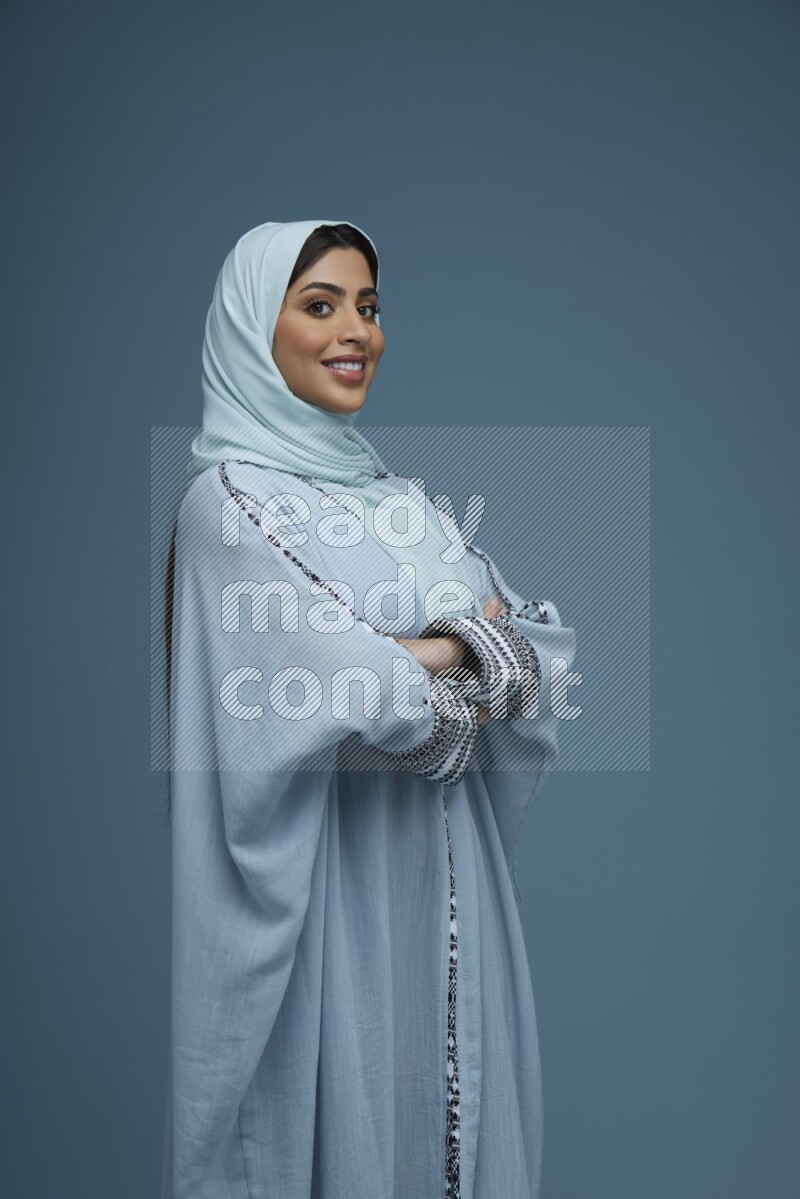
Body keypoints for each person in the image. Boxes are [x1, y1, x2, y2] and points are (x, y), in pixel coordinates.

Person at [159, 219, 577, 1199]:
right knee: (336, 1129)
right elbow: (354, 685)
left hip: (453, 897)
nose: (357, 331)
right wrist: (454, 640)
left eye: (369, 306)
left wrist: (423, 652)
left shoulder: (404, 504)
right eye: (319, 304)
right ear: (251, 327)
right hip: (328, 899)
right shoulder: (227, 503)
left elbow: (540, 661)